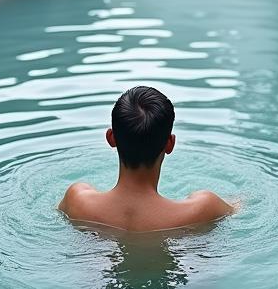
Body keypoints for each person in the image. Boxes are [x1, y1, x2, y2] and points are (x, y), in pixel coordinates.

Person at [58, 85, 236, 232]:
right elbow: (241, 207)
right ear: (170, 144)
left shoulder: (77, 200)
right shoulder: (203, 208)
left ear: (111, 138)